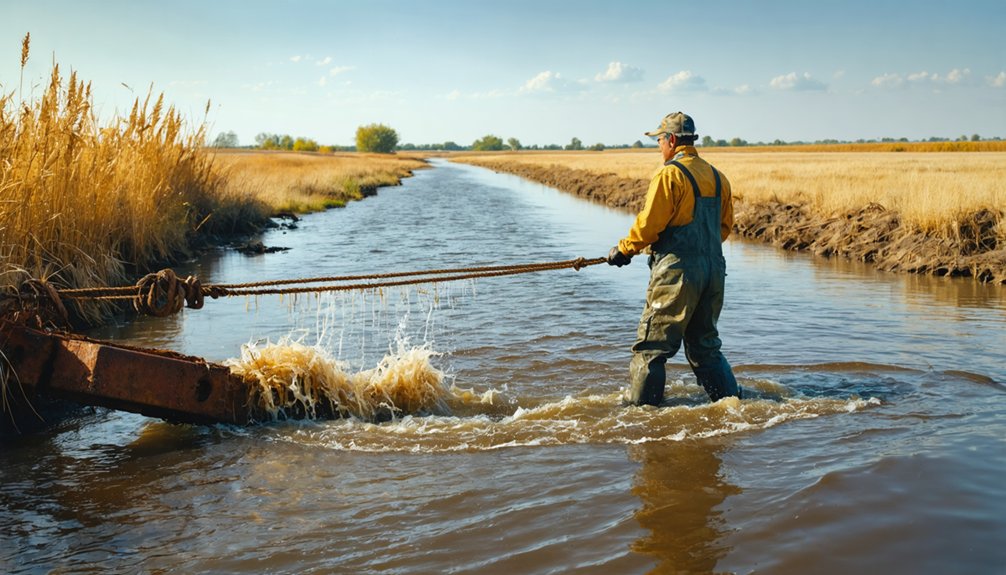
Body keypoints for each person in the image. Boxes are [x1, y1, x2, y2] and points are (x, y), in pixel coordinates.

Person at [607, 111, 739, 406]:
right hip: (714, 271)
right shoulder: (719, 178)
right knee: (705, 348)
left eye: (659, 141)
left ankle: (642, 417)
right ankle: (734, 406)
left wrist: (625, 250)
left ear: (671, 140)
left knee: (651, 348)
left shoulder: (670, 174)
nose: (659, 147)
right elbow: (725, 228)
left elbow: (650, 224)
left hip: (677, 272)